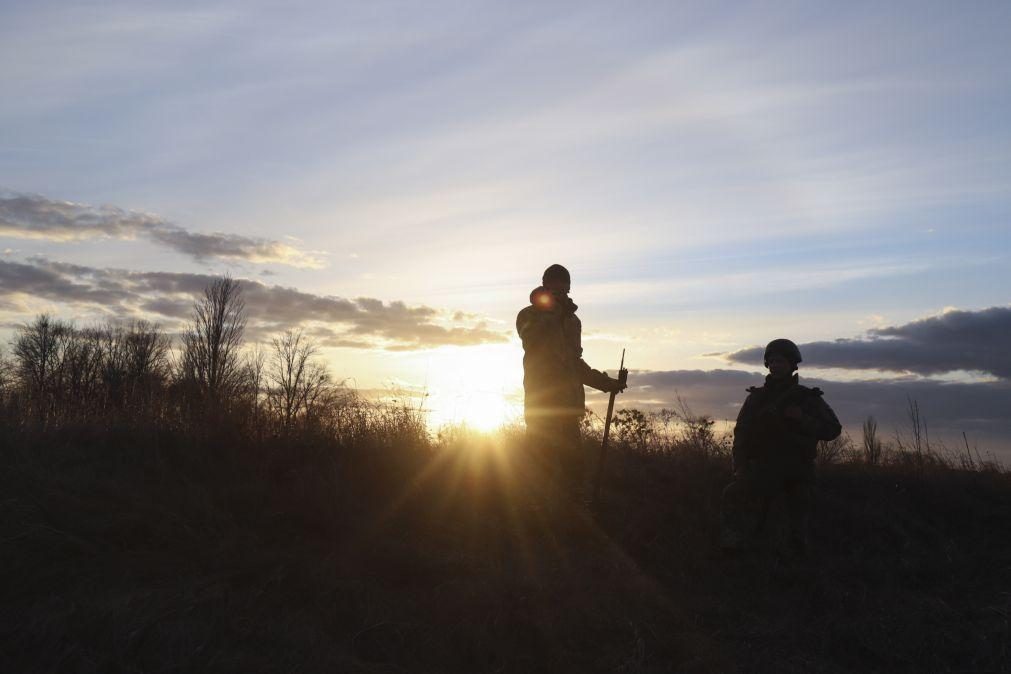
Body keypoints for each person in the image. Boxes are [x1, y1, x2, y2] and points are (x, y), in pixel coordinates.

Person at [720, 338, 842, 556]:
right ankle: (735, 551)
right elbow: (741, 434)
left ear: (792, 365)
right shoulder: (756, 398)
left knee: (797, 529)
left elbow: (832, 429)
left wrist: (802, 418)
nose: (776, 365)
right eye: (773, 361)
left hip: (797, 472)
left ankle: (797, 563)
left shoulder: (807, 398)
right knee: (734, 497)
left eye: (781, 361)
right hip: (762, 468)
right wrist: (739, 466)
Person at [516, 264, 626, 499]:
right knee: (538, 475)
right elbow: (532, 342)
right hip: (541, 408)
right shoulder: (528, 315)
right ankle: (533, 522)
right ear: (544, 287)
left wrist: (607, 383)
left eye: (564, 291)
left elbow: (575, 364)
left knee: (573, 475)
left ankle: (573, 523)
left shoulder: (572, 321)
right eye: (555, 291)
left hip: (569, 409)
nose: (561, 295)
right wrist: (552, 311)